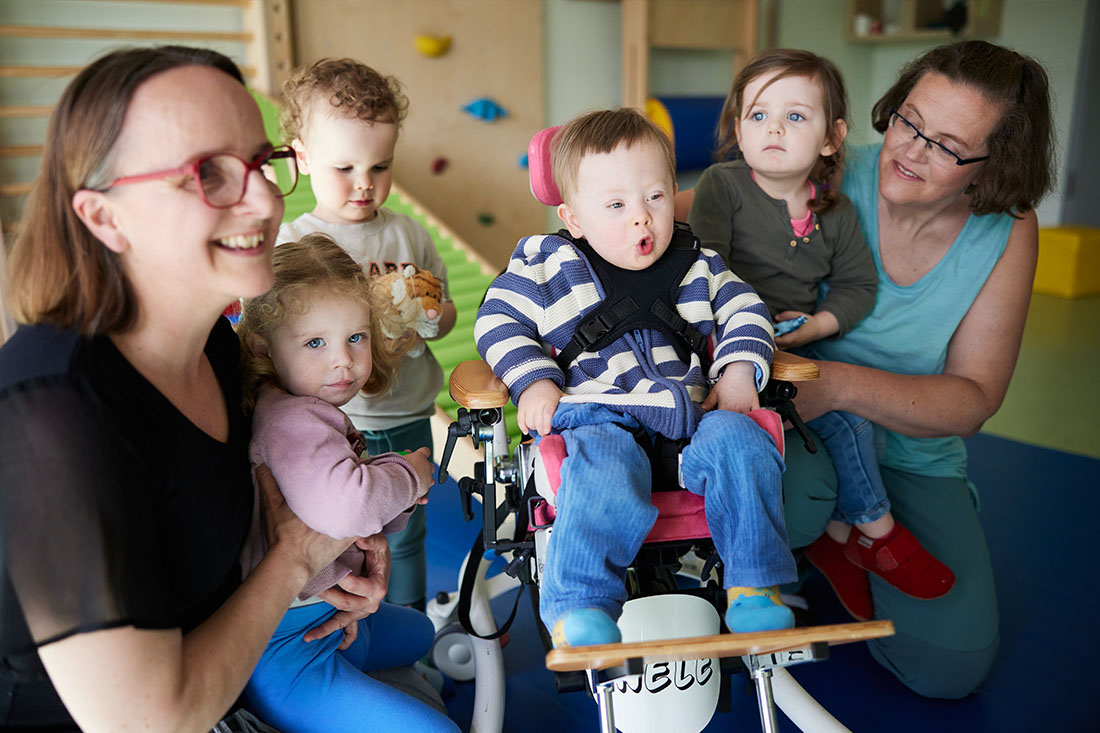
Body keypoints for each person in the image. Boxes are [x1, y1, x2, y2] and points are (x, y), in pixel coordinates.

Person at [0, 46, 381, 729]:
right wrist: (295, 560)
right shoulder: (54, 411)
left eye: (265, 162)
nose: (265, 199)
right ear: (103, 217)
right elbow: (150, 720)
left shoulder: (213, 342)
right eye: (208, 174)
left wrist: (339, 548)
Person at [777, 40, 1055, 698]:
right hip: (800, 433)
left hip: (912, 455)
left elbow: (975, 397)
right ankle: (812, 535)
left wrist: (840, 385)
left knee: (949, 665)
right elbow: (703, 208)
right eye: (908, 119)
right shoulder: (831, 172)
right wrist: (595, 217)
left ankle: (840, 538)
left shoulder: (1008, 230)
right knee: (792, 498)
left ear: (992, 169)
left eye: (946, 145)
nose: (910, 149)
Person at [475, 108, 797, 647]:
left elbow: (747, 309)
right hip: (600, 418)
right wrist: (532, 380)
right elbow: (497, 319)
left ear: (674, 192)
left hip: (693, 422)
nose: (641, 220)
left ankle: (755, 589)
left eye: (655, 198)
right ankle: (581, 607)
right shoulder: (547, 266)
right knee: (603, 469)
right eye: (616, 205)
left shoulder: (698, 264)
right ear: (574, 218)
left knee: (744, 442)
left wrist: (739, 369)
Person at [687, 49, 954, 620]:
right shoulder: (723, 186)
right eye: (757, 116)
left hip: (798, 347)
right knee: (835, 428)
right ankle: (872, 533)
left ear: (833, 138)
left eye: (796, 117)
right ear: (738, 128)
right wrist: (757, 329)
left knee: (858, 423)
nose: (774, 129)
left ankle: (844, 539)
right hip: (731, 352)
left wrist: (815, 326)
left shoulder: (834, 211)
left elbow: (858, 287)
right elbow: (708, 272)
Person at [235, 234, 458, 732]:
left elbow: (359, 510)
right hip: (290, 651)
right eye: (315, 342)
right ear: (263, 348)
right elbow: (349, 509)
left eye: (355, 337)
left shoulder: (302, 407)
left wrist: (394, 492)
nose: (344, 361)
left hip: (324, 617)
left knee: (422, 632)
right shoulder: (291, 424)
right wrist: (410, 472)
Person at [277, 58, 458, 611]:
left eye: (380, 167)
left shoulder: (408, 233)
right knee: (338, 538)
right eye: (344, 168)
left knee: (407, 538)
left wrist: (431, 315)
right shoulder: (294, 243)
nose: (364, 184)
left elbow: (445, 313)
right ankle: (353, 625)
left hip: (405, 411)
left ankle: (409, 631)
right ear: (303, 158)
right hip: (332, 420)